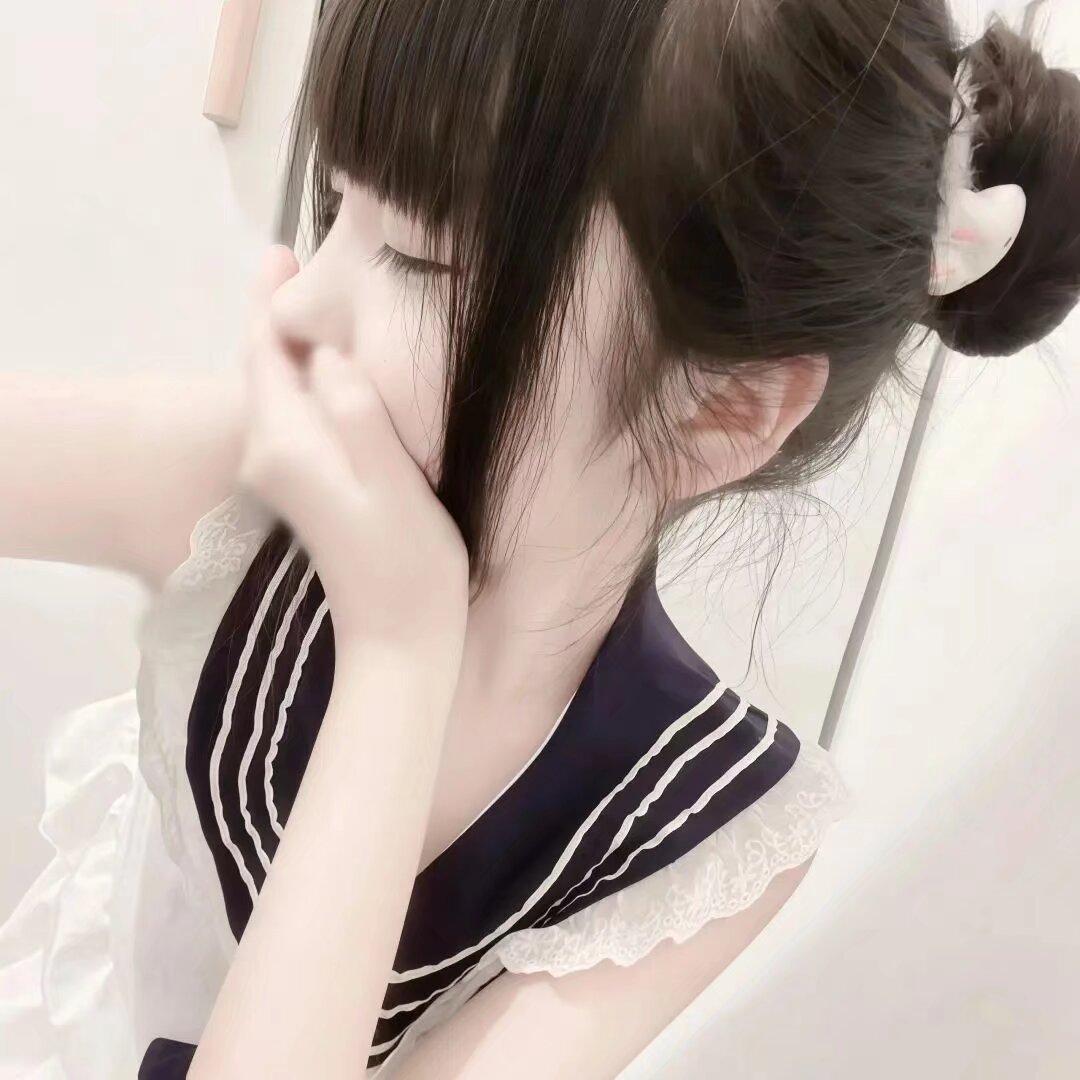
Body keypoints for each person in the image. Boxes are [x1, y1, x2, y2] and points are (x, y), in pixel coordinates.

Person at [2, 1, 1078, 1077]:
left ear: (724, 411)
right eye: (335, 207)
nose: (294, 311)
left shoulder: (705, 824)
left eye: (416, 257)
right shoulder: (247, 496)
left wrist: (399, 652)